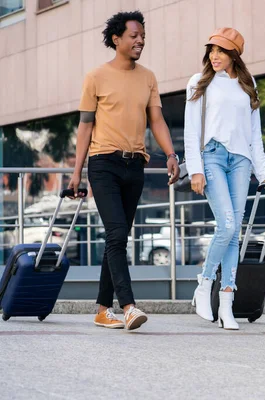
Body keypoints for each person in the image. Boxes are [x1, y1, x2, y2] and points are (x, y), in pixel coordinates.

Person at [68, 11, 180, 330]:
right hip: (103, 164)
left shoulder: (148, 77)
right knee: (117, 233)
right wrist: (76, 173)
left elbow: (156, 120)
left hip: (136, 165)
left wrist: (171, 153)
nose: (140, 40)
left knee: (119, 237)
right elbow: (85, 127)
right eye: (134, 36)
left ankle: (103, 309)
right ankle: (128, 306)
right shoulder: (96, 77)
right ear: (117, 39)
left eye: (142, 35)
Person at [184, 28, 265, 330]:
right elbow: (191, 130)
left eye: (222, 51)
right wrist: (196, 170)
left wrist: (264, 173)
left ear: (234, 55)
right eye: (212, 49)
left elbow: (255, 134)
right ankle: (204, 283)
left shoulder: (247, 83)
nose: (214, 55)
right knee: (226, 224)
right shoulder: (200, 83)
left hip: (241, 161)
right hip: (212, 155)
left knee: (234, 231)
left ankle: (226, 301)